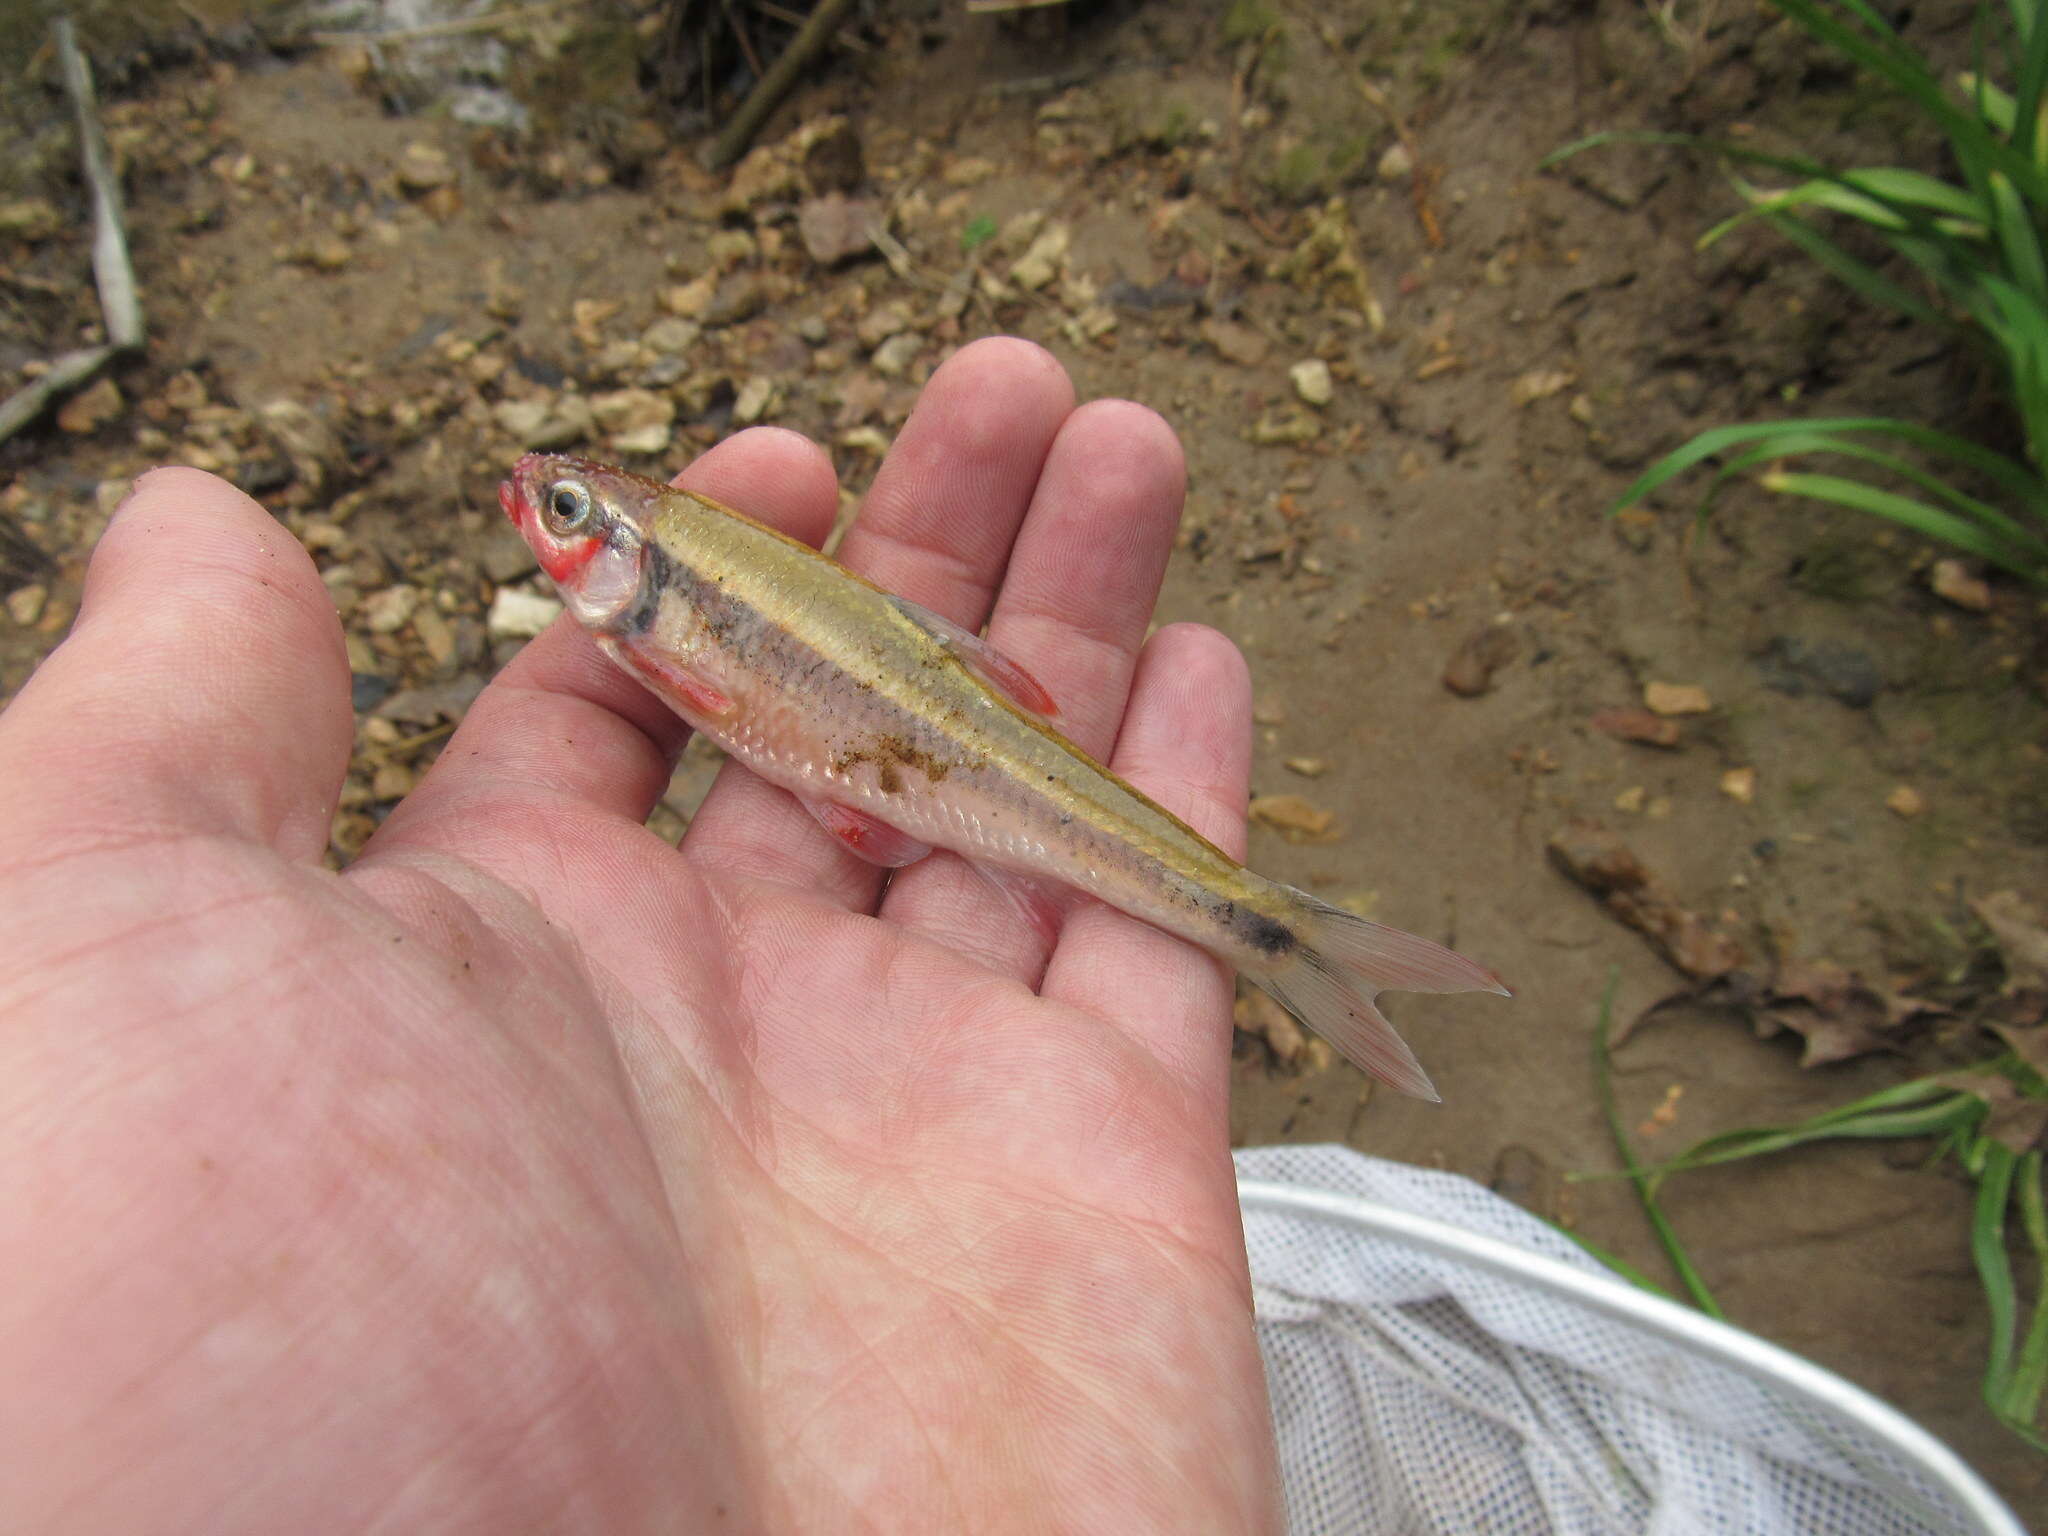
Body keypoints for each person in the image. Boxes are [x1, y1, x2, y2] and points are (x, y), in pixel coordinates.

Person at [0, 338, 1283, 1530]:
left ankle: (1258, 925)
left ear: (629, 564)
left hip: (920, 740)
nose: (541, 521)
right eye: (559, 514)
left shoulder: (665, 610)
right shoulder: (649, 601)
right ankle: (1257, 924)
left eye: (567, 518)